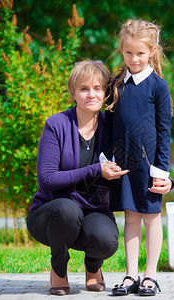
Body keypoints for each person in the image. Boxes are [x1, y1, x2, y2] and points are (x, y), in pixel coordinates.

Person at [26, 60, 129, 296]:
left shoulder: (112, 127)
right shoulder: (56, 124)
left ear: (106, 93)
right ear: (73, 93)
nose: (91, 94)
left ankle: (93, 268)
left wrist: (164, 179)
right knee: (66, 209)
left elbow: (131, 164)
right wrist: (96, 170)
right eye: (84, 88)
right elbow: (47, 180)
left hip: (96, 210)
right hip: (52, 215)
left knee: (105, 240)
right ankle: (58, 270)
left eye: (97, 88)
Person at [103, 19, 173, 297]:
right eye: (129, 53)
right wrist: (106, 159)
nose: (134, 59)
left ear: (152, 52)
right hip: (124, 164)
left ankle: (150, 277)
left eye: (140, 53)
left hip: (150, 166)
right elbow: (108, 126)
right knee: (131, 217)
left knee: (152, 218)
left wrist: (161, 170)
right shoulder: (117, 83)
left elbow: (164, 131)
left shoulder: (158, 87)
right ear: (122, 51)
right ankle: (131, 274)